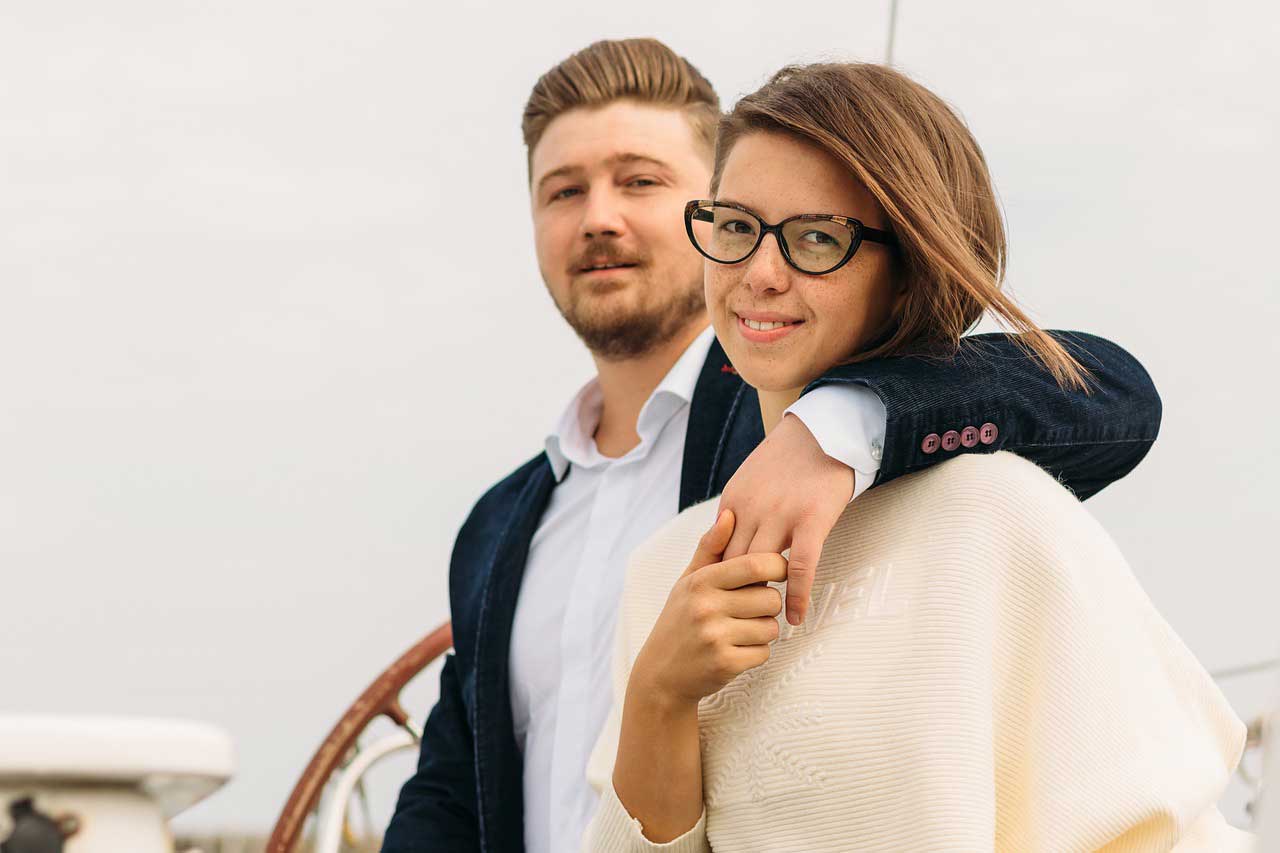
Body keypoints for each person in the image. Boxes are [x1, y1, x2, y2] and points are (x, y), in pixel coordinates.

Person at [382, 40, 1164, 853]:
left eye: (640, 180)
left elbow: (1109, 392)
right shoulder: (498, 526)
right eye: (563, 190)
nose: (599, 216)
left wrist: (835, 427)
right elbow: (453, 783)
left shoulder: (826, 431)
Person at [583, 61, 1250, 852]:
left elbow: (1158, 835)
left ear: (906, 277)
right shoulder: (667, 566)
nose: (761, 271)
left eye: (816, 238)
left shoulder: (999, 515)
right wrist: (658, 695)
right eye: (734, 226)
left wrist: (833, 424)